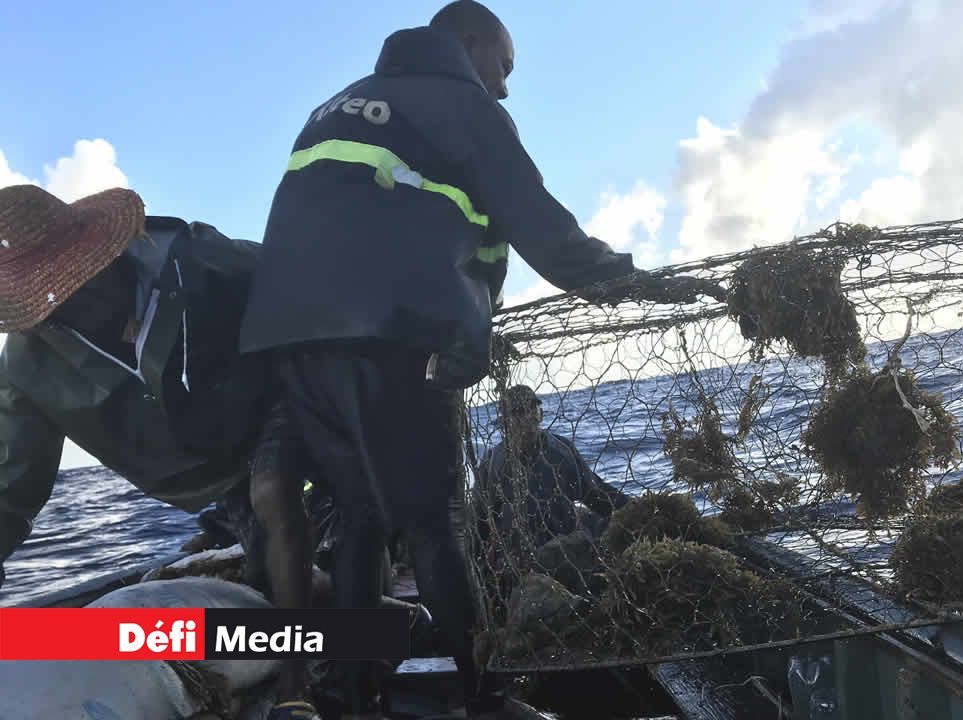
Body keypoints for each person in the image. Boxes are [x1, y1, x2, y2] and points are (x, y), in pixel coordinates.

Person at [238, 2, 720, 717]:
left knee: (363, 515)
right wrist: (638, 283)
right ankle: (482, 697)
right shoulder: (459, 102)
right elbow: (546, 233)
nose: (504, 87)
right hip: (391, 333)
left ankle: (352, 688)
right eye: (503, 65)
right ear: (467, 43)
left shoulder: (332, 107)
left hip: (288, 342)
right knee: (435, 524)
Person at [0, 184, 317, 719]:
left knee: (278, 495)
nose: (68, 306)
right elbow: (11, 488)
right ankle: (345, 614)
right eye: (48, 304)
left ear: (103, 253)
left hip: (286, 407)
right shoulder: (27, 370)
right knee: (268, 567)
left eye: (79, 280)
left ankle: (299, 687)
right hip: (210, 478)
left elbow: (303, 284)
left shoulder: (195, 259)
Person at [473, 385, 629, 576]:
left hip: (567, 552)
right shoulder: (493, 463)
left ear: (541, 414)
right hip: (520, 564)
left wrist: (635, 509)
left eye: (532, 409)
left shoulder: (561, 451)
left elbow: (597, 495)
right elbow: (478, 520)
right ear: (505, 423)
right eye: (519, 413)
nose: (528, 418)